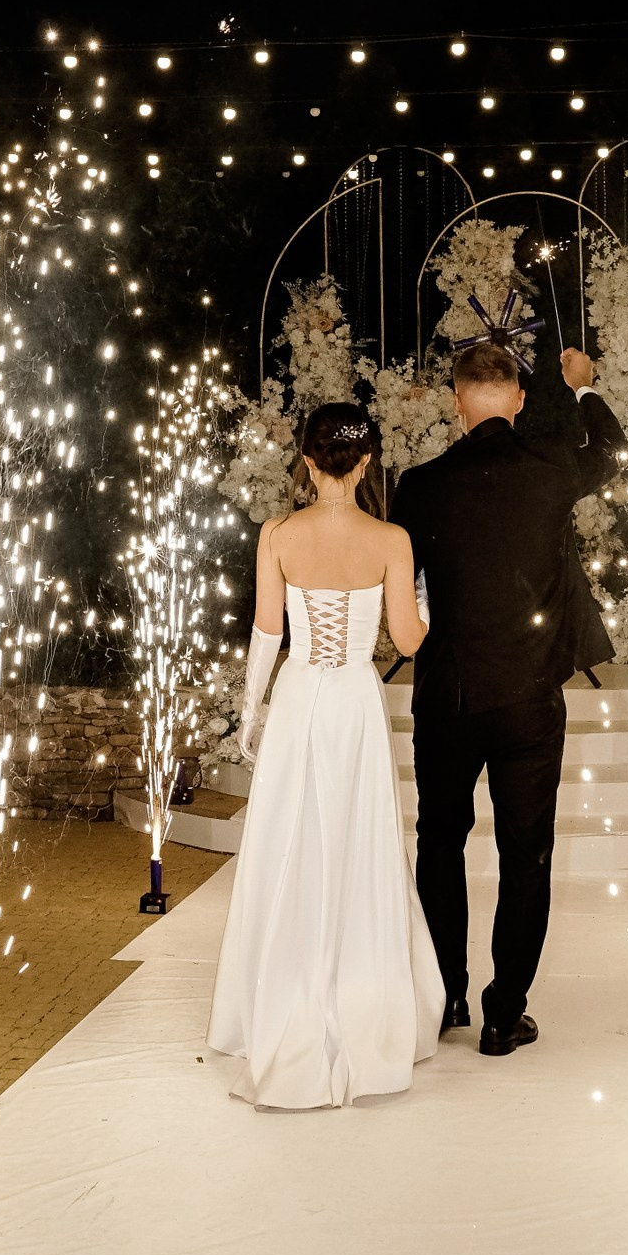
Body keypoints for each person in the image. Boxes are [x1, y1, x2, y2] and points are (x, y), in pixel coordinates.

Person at [207, 404, 446, 1108]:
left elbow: (265, 631)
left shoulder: (278, 533)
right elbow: (407, 640)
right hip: (353, 701)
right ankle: (366, 996)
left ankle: (280, 996)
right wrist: (428, 600)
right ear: (367, 462)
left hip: (302, 692)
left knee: (289, 842)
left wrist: (251, 713)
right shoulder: (392, 538)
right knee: (360, 844)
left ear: (308, 463)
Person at [391, 344, 625, 1056]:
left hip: (449, 694)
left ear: (456, 400)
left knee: (440, 842)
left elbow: (414, 586)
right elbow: (613, 450)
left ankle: (446, 994)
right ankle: (503, 1014)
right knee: (527, 854)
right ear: (519, 398)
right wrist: (583, 388)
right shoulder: (554, 463)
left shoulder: (419, 484)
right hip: (527, 694)